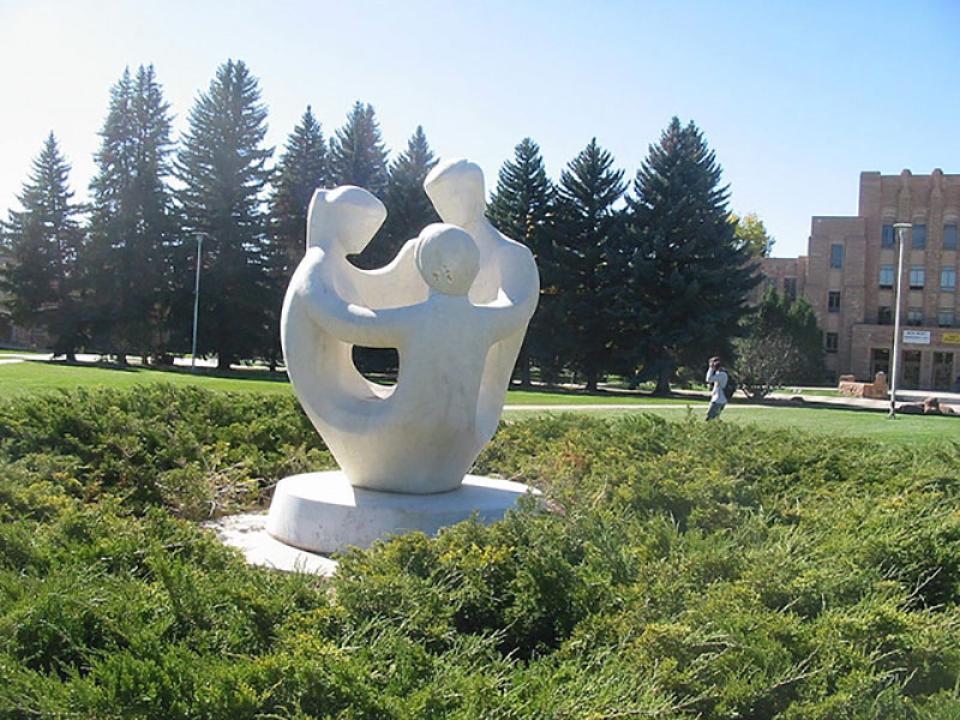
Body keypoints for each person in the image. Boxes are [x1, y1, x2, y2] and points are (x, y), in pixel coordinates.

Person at [705, 356, 728, 420]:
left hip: (718, 400)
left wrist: (710, 368)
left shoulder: (722, 374)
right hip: (719, 400)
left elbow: (708, 379)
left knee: (709, 418)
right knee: (715, 419)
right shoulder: (721, 373)